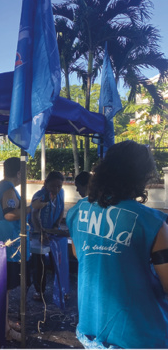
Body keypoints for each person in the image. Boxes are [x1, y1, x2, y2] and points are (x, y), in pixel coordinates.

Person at [67, 141, 168, 348]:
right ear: (141, 177)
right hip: (140, 334)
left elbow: (79, 254)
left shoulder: (77, 211)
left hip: (92, 330)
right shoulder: (153, 222)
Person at [0, 157, 27, 342]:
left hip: (2, 243)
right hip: (5, 245)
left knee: (4, 289)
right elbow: (9, 214)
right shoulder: (9, 189)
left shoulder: (4, 186)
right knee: (4, 289)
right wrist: (30, 208)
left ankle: (5, 325)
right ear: (19, 173)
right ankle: (4, 331)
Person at [28, 171, 64, 301]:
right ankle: (39, 291)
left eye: (59, 186)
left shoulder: (61, 193)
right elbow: (34, 215)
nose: (56, 189)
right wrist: (41, 232)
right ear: (45, 184)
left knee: (58, 262)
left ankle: (61, 289)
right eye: (53, 186)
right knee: (39, 263)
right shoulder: (40, 196)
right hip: (37, 232)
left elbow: (61, 210)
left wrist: (56, 226)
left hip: (53, 230)